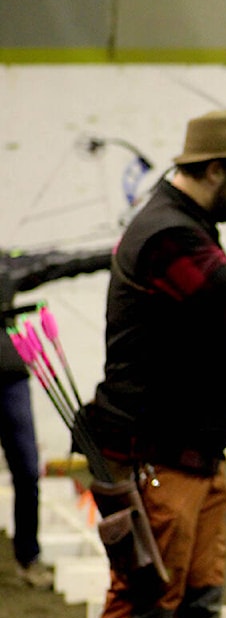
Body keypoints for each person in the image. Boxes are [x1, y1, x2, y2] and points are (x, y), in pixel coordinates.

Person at [81, 109, 226, 618]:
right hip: (157, 460)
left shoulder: (186, 226)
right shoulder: (167, 235)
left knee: (198, 605)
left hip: (193, 459)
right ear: (215, 171)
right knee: (147, 606)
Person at [1, 247, 112, 589]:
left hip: (9, 379)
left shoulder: (6, 267)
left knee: (27, 470)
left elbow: (62, 263)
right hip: (11, 376)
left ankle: (28, 558)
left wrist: (115, 254)